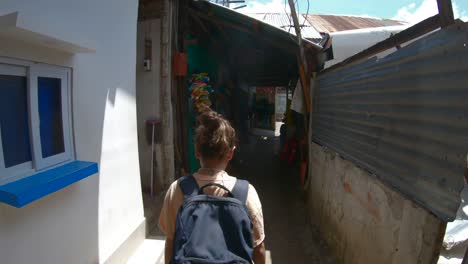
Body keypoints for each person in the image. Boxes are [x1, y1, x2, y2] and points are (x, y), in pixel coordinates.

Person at [158, 109, 266, 264]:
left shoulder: (178, 189)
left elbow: (171, 242)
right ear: (230, 153)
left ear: (197, 152)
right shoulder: (246, 192)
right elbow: (259, 249)